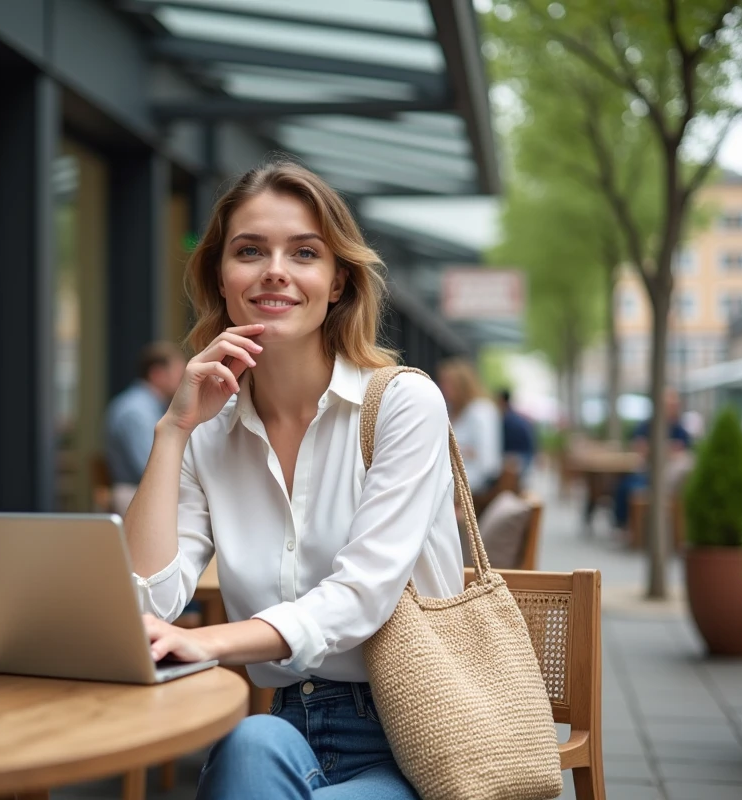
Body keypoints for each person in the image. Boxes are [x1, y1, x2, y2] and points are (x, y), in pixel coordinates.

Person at [123, 160, 462, 799]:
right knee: (249, 743)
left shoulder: (402, 405)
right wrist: (172, 431)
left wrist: (208, 643)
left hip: (416, 737)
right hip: (282, 727)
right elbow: (148, 605)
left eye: (304, 252)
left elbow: (362, 595)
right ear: (222, 279)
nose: (275, 269)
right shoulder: (209, 432)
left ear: (337, 282)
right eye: (250, 251)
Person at [103, 342, 186, 515]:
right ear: (157, 374)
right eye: (178, 375)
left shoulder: (148, 407)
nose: (183, 382)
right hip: (136, 497)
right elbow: (151, 467)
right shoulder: (137, 411)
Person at [612, 387, 692, 531]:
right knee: (622, 487)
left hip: (665, 478)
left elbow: (682, 452)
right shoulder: (648, 425)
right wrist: (665, 449)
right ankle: (623, 526)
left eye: (674, 405)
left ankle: (632, 529)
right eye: (669, 405)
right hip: (646, 471)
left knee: (629, 487)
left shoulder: (680, 429)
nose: (673, 408)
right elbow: (637, 446)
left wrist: (654, 448)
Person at [437, 358, 502, 493]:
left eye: (447, 383)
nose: (442, 387)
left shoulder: (481, 410)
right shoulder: (450, 409)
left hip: (472, 484)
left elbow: (488, 462)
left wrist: (454, 451)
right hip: (451, 479)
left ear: (461, 385)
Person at [497, 388, 537, 480]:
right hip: (527, 456)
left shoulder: (507, 419)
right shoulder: (517, 417)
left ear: (501, 400)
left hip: (519, 457)